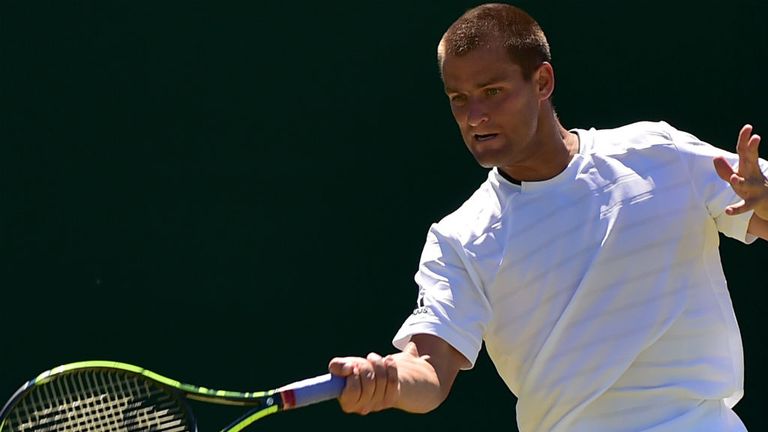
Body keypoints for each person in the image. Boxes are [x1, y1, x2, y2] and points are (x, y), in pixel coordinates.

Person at [328, 3, 768, 431]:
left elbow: (760, 214)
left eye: (492, 92)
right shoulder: (458, 239)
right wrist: (388, 379)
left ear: (542, 81)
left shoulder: (658, 153)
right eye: (458, 99)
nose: (474, 117)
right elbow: (428, 370)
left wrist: (762, 197)